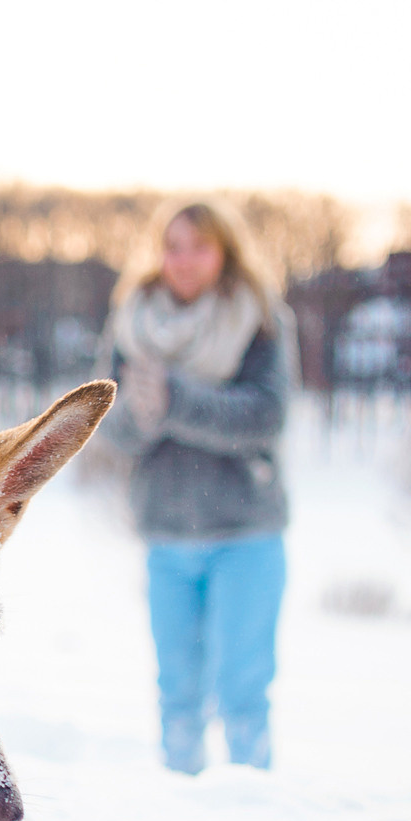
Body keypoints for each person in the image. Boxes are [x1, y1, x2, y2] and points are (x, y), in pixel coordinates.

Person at [95, 200, 297, 774]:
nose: (183, 260)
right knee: (177, 695)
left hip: (245, 533)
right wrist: (142, 410)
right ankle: (182, 813)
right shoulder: (132, 322)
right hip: (166, 533)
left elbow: (266, 416)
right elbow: (113, 429)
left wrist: (176, 400)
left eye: (199, 247)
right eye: (173, 246)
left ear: (225, 253)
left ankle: (250, 806)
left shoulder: (259, 318)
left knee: (242, 693)